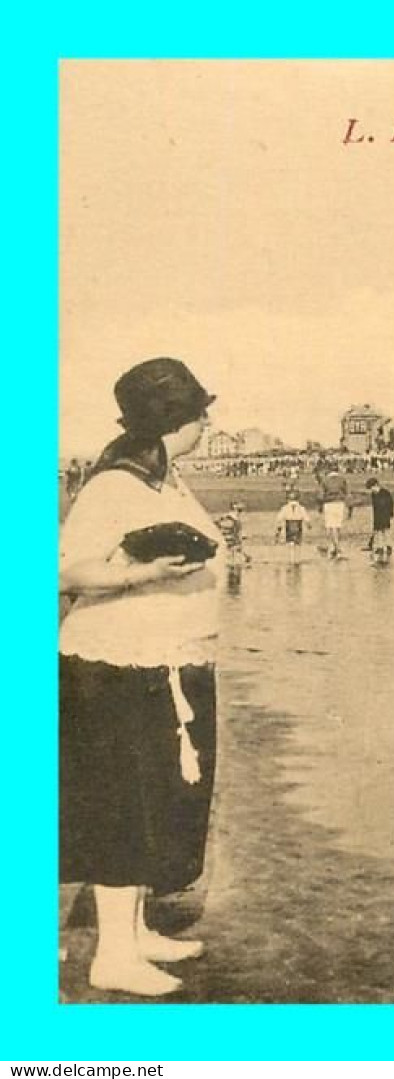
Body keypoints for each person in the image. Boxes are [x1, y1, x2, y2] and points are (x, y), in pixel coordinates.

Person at [59, 357, 224, 996]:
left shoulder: (165, 480)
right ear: (169, 422)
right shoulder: (114, 485)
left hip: (168, 661)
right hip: (120, 667)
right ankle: (114, 956)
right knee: (125, 807)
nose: (206, 423)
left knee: (156, 802)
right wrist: (143, 576)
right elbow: (64, 571)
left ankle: (136, 932)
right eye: (198, 414)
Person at [316, 465, 350, 559]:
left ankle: (337, 548)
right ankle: (334, 547)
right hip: (340, 503)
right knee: (337, 527)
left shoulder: (325, 480)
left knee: (331, 527)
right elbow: (347, 493)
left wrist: (319, 506)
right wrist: (349, 507)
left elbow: (320, 495)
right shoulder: (342, 479)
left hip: (329, 504)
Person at [365, 478, 394, 565]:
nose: (371, 490)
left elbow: (391, 503)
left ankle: (388, 545)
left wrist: (391, 513)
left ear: (376, 485)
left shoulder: (385, 493)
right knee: (378, 531)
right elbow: (375, 508)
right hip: (377, 515)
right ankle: (380, 546)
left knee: (385, 530)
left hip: (385, 514)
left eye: (371, 488)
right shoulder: (373, 495)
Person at [274, 494, 310, 562]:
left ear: (288, 499)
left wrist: (278, 529)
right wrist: (308, 525)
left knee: (290, 542)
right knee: (298, 543)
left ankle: (291, 558)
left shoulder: (285, 507)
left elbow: (279, 518)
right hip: (298, 525)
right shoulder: (301, 508)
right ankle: (297, 559)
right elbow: (306, 518)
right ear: (298, 499)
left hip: (289, 525)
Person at [215, 501, 251, 567]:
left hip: (234, 536)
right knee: (233, 548)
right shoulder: (230, 517)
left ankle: (244, 558)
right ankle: (238, 560)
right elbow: (221, 523)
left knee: (236, 548)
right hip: (230, 536)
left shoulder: (235, 517)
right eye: (238, 507)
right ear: (234, 508)